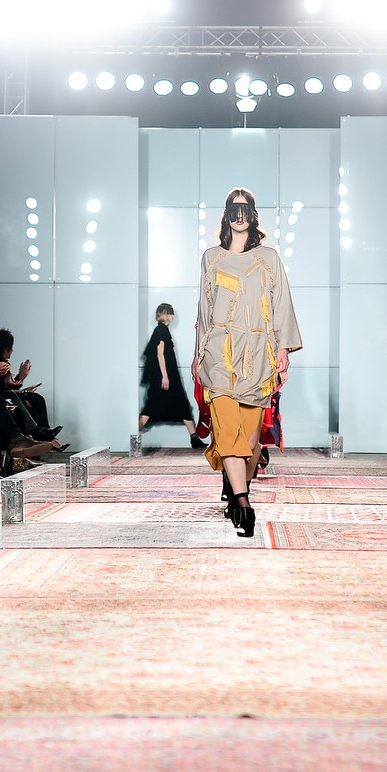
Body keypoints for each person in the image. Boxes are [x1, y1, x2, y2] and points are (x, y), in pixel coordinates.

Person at [191, 189, 300, 537]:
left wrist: (284, 349)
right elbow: (204, 308)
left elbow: (281, 303)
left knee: (251, 443)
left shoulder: (268, 258)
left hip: (257, 355)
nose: (239, 216)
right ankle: (243, 504)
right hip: (219, 353)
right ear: (226, 215)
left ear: (253, 215)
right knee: (227, 431)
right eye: (233, 209)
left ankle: (237, 487)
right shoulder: (211, 258)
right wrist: (197, 355)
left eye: (245, 209)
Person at [140, 301, 200, 446]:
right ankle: (133, 436)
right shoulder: (161, 330)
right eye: (171, 313)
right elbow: (160, 354)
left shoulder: (161, 330)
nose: (173, 316)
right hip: (164, 377)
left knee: (181, 404)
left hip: (168, 376)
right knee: (151, 407)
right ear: (165, 314)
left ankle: (194, 438)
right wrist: (165, 377)